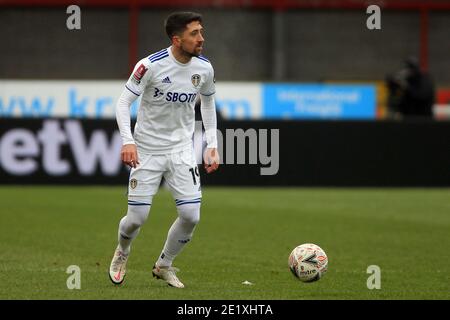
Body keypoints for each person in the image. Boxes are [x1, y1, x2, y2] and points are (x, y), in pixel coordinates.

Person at [109, 12, 220, 288]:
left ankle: (164, 265)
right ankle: (122, 251)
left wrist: (212, 144)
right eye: (194, 33)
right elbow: (123, 103)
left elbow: (207, 104)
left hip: (181, 150)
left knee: (191, 215)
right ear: (177, 39)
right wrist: (128, 141)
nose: (201, 39)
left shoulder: (204, 69)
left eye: (201, 32)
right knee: (136, 220)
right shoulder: (150, 66)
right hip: (146, 149)